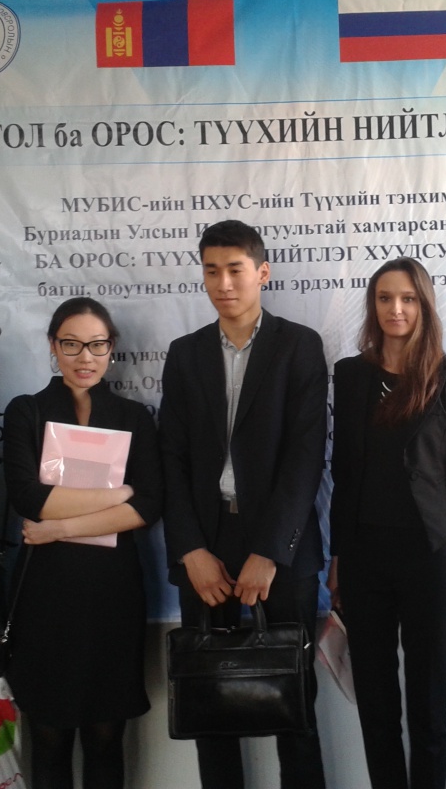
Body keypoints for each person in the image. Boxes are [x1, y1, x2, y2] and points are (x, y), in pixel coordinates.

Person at [160, 219, 328, 789]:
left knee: (294, 710)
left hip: (281, 550)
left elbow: (306, 457)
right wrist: (190, 550)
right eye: (212, 271)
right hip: (205, 549)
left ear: (262, 273)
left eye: (235, 269)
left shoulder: (299, 346)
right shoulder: (185, 355)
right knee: (209, 709)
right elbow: (171, 459)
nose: (223, 283)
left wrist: (270, 552)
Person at [326, 258, 446, 789]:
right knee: (376, 706)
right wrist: (337, 558)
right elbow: (344, 473)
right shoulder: (350, 375)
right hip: (364, 562)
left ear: (424, 305)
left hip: (429, 559)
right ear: (373, 305)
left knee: (428, 707)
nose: (396, 309)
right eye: (385, 298)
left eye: (407, 299)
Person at [3, 297, 161, 789]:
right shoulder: (27, 411)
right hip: (45, 598)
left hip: (112, 595)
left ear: (112, 348)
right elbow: (30, 498)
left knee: (106, 738)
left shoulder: (134, 417)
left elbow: (148, 506)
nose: (85, 357)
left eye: (97, 345)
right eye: (71, 344)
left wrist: (58, 528)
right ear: (53, 346)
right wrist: (117, 495)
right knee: (48, 739)